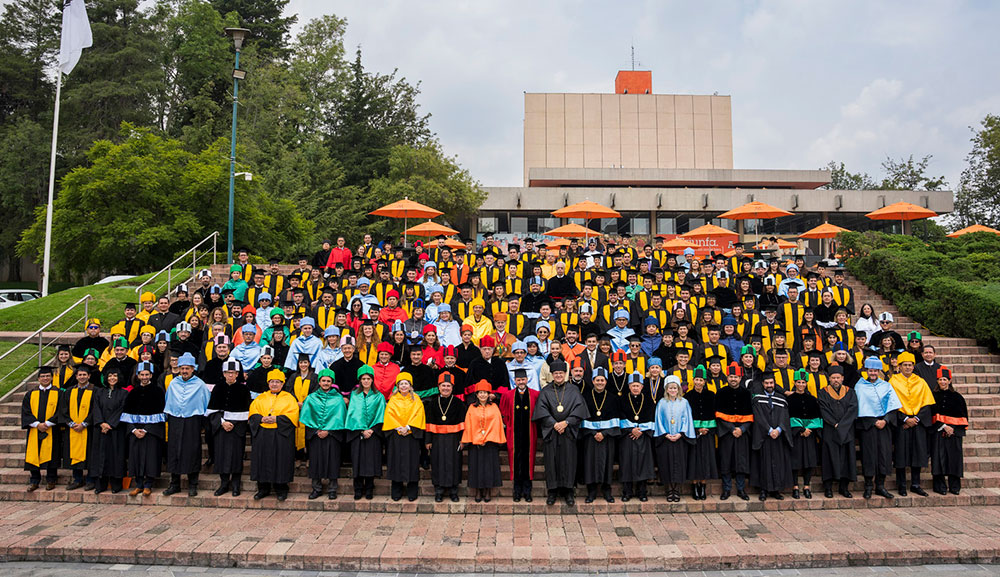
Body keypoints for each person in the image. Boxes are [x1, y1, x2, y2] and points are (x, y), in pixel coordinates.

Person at [532, 360, 588, 506]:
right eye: (556, 373)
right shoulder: (546, 391)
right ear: (551, 374)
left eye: (561, 373)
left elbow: (579, 410)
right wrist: (554, 423)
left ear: (565, 374)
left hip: (568, 432)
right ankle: (552, 491)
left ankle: (569, 491)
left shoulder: (573, 390)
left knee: (569, 462)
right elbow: (541, 410)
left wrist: (566, 422)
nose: (558, 376)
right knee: (552, 462)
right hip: (552, 432)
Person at [162, 352, 210, 497]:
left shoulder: (200, 385)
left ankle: (193, 484)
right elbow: (168, 401)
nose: (184, 371)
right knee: (174, 450)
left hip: (192, 420)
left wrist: (202, 423)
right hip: (175, 419)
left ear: (193, 369)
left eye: (187, 368)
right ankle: (174, 483)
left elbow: (206, 403)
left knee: (191, 451)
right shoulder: (173, 383)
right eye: (182, 368)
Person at [889, 351, 936, 497]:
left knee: (918, 453)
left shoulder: (920, 382)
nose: (908, 368)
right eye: (905, 365)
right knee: (901, 455)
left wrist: (915, 419)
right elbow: (891, 404)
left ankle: (916, 484)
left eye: (910, 365)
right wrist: (904, 419)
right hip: (902, 422)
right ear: (900, 366)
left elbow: (927, 404)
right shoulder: (893, 381)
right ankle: (901, 484)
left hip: (918, 422)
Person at [248, 369, 300, 501]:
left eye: (277, 382)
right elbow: (253, 413)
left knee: (281, 461)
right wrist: (260, 419)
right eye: (272, 382)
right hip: (263, 434)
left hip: (281, 434)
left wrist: (277, 419)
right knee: (262, 460)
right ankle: (263, 488)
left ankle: (281, 489)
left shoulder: (289, 398)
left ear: (282, 384)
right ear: (268, 383)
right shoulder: (261, 398)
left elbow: (293, 415)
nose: (275, 384)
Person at [854, 356, 901, 499]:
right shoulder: (859, 386)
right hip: (868, 426)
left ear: (879, 371)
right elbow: (858, 407)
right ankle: (868, 486)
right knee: (869, 455)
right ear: (866, 370)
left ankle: (880, 486)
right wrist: (873, 421)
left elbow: (893, 406)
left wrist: (885, 420)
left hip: (884, 426)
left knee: (884, 455)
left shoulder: (886, 386)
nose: (873, 373)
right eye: (870, 370)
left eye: (875, 370)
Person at [206, 359, 252, 497]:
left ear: (237, 373)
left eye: (233, 373)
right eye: (227, 372)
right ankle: (224, 483)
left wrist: (234, 424)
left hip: (237, 429)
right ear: (224, 373)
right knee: (221, 455)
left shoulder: (244, 389)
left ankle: (236, 484)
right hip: (221, 427)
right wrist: (222, 422)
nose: (230, 375)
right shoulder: (218, 388)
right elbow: (212, 410)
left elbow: (246, 411)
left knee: (236, 456)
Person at [299, 369, 347, 500]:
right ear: (319, 382)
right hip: (315, 436)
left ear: (332, 383)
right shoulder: (311, 398)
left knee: (333, 461)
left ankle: (332, 489)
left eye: (328, 381)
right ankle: (316, 488)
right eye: (323, 381)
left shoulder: (338, 399)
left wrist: (329, 431)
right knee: (315, 462)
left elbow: (340, 418)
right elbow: (307, 417)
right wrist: (316, 431)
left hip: (332, 436)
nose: (326, 383)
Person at [122, 363, 167, 496]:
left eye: (147, 374)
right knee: (136, 458)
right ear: (138, 375)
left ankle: (148, 484)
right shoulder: (133, 393)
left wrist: (146, 430)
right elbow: (126, 414)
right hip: (135, 431)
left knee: (150, 458)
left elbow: (161, 414)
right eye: (142, 374)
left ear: (151, 375)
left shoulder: (158, 392)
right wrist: (134, 430)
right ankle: (139, 484)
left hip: (151, 432)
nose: (144, 377)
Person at [750, 373, 793, 501]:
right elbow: (758, 417)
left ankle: (776, 490)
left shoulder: (781, 399)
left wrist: (779, 430)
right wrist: (769, 430)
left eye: (771, 383)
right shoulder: (757, 399)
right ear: (763, 384)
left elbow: (785, 417)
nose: (769, 385)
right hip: (764, 436)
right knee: (764, 463)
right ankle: (763, 490)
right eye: (767, 383)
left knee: (778, 462)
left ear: (774, 384)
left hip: (778, 437)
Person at [383, 372, 426, 501]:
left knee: (411, 463)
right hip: (396, 435)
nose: (403, 386)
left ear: (410, 386)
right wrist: (398, 427)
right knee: (396, 462)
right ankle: (396, 490)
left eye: (406, 383)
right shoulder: (393, 399)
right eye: (401, 384)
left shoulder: (416, 399)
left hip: (411, 435)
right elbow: (389, 415)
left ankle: (412, 491)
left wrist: (408, 427)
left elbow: (419, 415)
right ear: (397, 386)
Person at [461, 380, 507, 502]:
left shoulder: (494, 407)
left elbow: (497, 424)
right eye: (480, 393)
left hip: (490, 442)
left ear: (488, 394)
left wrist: (487, 438)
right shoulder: (471, 407)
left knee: (489, 468)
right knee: (476, 467)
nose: (482, 395)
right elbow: (469, 424)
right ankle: (477, 491)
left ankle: (487, 491)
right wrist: (474, 439)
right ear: (476, 394)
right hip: (475, 443)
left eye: (485, 393)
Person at [581, 367, 621, 503]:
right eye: (597, 380)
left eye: (602, 380)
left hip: (607, 437)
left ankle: (606, 490)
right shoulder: (585, 397)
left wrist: (604, 433)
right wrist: (593, 433)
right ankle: (591, 491)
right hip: (590, 437)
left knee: (607, 463)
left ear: (606, 381)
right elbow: (583, 419)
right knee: (590, 463)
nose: (599, 383)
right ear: (593, 381)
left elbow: (616, 420)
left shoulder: (613, 398)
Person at [424, 373, 467, 502]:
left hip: (454, 439)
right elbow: (428, 423)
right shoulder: (432, 403)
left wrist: (463, 440)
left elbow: (464, 424)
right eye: (443, 386)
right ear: (439, 387)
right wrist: (428, 440)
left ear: (452, 387)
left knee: (454, 463)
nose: (446, 388)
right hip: (437, 439)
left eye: (448, 386)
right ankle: (439, 491)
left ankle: (454, 491)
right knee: (438, 463)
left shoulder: (459, 403)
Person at [345, 365, 386, 500]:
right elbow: (352, 414)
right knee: (358, 461)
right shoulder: (355, 396)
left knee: (370, 462)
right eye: (363, 379)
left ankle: (369, 488)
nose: (366, 381)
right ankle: (357, 488)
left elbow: (381, 414)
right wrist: (361, 430)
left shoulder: (378, 396)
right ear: (360, 380)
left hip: (373, 434)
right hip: (357, 434)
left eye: (368, 378)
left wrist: (372, 430)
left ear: (372, 380)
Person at [818, 365, 858, 499]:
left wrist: (842, 425)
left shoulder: (850, 392)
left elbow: (853, 409)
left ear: (842, 378)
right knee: (829, 457)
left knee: (847, 458)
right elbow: (823, 410)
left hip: (847, 431)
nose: (836, 380)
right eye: (833, 378)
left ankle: (844, 487)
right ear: (829, 379)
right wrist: (835, 423)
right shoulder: (823, 392)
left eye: (838, 378)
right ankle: (828, 488)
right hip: (830, 431)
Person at [499, 367, 539, 502]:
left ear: (527, 380)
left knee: (528, 462)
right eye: (518, 379)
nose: (521, 382)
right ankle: (517, 491)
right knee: (516, 462)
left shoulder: (535, 395)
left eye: (523, 379)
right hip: (514, 435)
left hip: (530, 434)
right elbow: (503, 414)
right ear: (515, 381)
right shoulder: (508, 395)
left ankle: (527, 491)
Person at [89, 366, 129, 494]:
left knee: (116, 456)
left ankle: (116, 484)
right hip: (100, 430)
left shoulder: (124, 393)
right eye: (110, 376)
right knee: (100, 456)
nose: (112, 378)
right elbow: (96, 408)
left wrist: (110, 424)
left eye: (115, 376)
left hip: (116, 430)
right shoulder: (99, 392)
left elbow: (122, 409)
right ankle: (101, 484)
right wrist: (101, 423)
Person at [654, 375, 694, 502]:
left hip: (679, 438)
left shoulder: (684, 402)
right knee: (667, 464)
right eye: (670, 388)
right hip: (665, 438)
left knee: (679, 464)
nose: (672, 390)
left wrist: (680, 433)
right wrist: (665, 433)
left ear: (678, 389)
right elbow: (658, 419)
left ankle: (676, 490)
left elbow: (687, 419)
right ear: (666, 389)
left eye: (675, 388)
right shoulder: (661, 402)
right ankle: (669, 490)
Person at [715, 363, 752, 501]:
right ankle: (726, 489)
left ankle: (741, 489)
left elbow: (751, 416)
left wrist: (742, 429)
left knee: (740, 462)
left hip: (742, 433)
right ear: (727, 377)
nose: (733, 379)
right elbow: (718, 415)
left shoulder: (746, 393)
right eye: (731, 376)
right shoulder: (721, 393)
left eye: (736, 376)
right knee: (726, 461)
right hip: (727, 433)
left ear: (740, 377)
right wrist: (731, 429)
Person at [22, 367, 62, 492]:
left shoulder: (59, 393)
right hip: (35, 429)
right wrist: (36, 424)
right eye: (42, 376)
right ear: (38, 378)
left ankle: (51, 479)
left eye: (47, 376)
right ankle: (34, 480)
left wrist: (49, 423)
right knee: (34, 453)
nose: (45, 378)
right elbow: (26, 412)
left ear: (51, 377)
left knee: (52, 453)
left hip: (52, 429)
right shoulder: (30, 394)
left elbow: (61, 410)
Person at [930, 366, 967, 495]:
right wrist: (943, 426)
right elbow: (931, 414)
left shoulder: (958, 397)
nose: (942, 382)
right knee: (938, 459)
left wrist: (953, 428)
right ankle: (939, 486)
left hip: (954, 434)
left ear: (949, 381)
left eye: (945, 379)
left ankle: (955, 486)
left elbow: (963, 416)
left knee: (954, 459)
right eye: (940, 379)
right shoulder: (932, 396)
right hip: (938, 432)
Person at [787, 369, 822, 499]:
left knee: (809, 461)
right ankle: (795, 487)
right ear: (794, 383)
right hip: (796, 435)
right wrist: (800, 430)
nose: (801, 384)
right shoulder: (789, 399)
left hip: (810, 434)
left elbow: (817, 417)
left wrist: (808, 429)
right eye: (798, 382)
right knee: (795, 461)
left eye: (803, 382)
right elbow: (788, 417)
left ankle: (806, 486)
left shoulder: (812, 399)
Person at [61, 363, 96, 491]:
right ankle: (77, 479)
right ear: (76, 376)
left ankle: (90, 480)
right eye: (80, 374)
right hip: (73, 429)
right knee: (74, 453)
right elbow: (63, 410)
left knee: (90, 454)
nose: (82, 377)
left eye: (84, 375)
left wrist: (85, 423)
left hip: (89, 429)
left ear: (89, 376)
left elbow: (96, 410)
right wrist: (71, 423)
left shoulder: (95, 390)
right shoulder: (69, 391)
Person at [686, 367, 718, 501]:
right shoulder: (687, 396)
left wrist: (707, 429)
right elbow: (686, 417)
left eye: (701, 380)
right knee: (694, 459)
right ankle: (694, 486)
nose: (698, 382)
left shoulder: (711, 395)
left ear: (705, 381)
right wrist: (697, 430)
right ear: (693, 380)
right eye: (696, 380)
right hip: (693, 433)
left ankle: (703, 485)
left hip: (708, 433)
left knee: (705, 459)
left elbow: (715, 414)